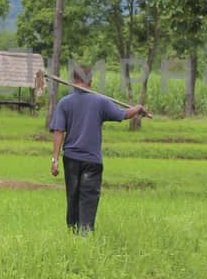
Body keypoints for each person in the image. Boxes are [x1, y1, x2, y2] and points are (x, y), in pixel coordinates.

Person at [50, 65, 150, 232]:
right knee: (88, 198)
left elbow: (59, 131)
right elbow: (123, 114)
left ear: (73, 80)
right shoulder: (100, 102)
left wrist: (55, 159)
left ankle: (72, 233)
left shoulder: (64, 103)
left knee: (72, 197)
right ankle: (85, 235)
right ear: (91, 81)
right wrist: (138, 108)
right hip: (92, 160)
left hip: (71, 160)